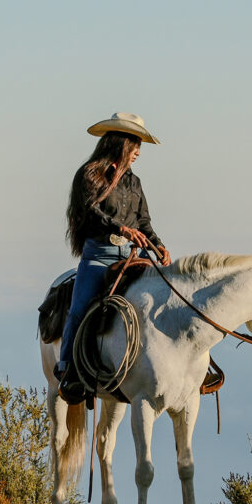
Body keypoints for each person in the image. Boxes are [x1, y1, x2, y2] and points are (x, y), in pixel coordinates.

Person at [56, 112, 172, 404]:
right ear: (120, 142)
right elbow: (89, 211)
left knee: (167, 298)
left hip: (135, 253)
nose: (138, 152)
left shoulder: (135, 183)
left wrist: (159, 246)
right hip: (101, 254)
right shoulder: (90, 174)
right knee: (79, 307)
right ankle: (68, 369)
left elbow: (144, 221)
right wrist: (120, 228)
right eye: (134, 144)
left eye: (139, 146)